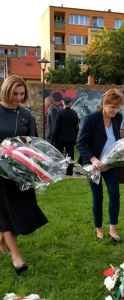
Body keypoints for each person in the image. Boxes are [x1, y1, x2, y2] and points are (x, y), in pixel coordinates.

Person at [0, 75, 48, 274]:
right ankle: (17, 257)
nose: (19, 97)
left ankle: (1, 242)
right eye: (15, 93)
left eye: (22, 94)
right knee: (7, 210)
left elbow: (32, 142)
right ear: (6, 91)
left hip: (19, 171)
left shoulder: (26, 114)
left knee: (16, 209)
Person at [76, 89, 124, 242]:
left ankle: (113, 230)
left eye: (118, 108)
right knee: (98, 197)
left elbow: (115, 138)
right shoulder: (90, 119)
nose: (116, 111)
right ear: (104, 104)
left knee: (114, 194)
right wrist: (93, 159)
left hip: (111, 164)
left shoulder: (118, 117)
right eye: (113, 107)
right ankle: (99, 230)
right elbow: (81, 144)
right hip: (93, 167)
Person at [52, 97, 79, 176]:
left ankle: (57, 170)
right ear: (70, 104)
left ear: (63, 103)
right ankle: (69, 171)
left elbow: (56, 126)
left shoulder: (60, 112)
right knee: (70, 154)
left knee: (58, 154)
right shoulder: (74, 113)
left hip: (60, 137)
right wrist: (75, 136)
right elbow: (76, 127)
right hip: (70, 137)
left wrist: (54, 137)